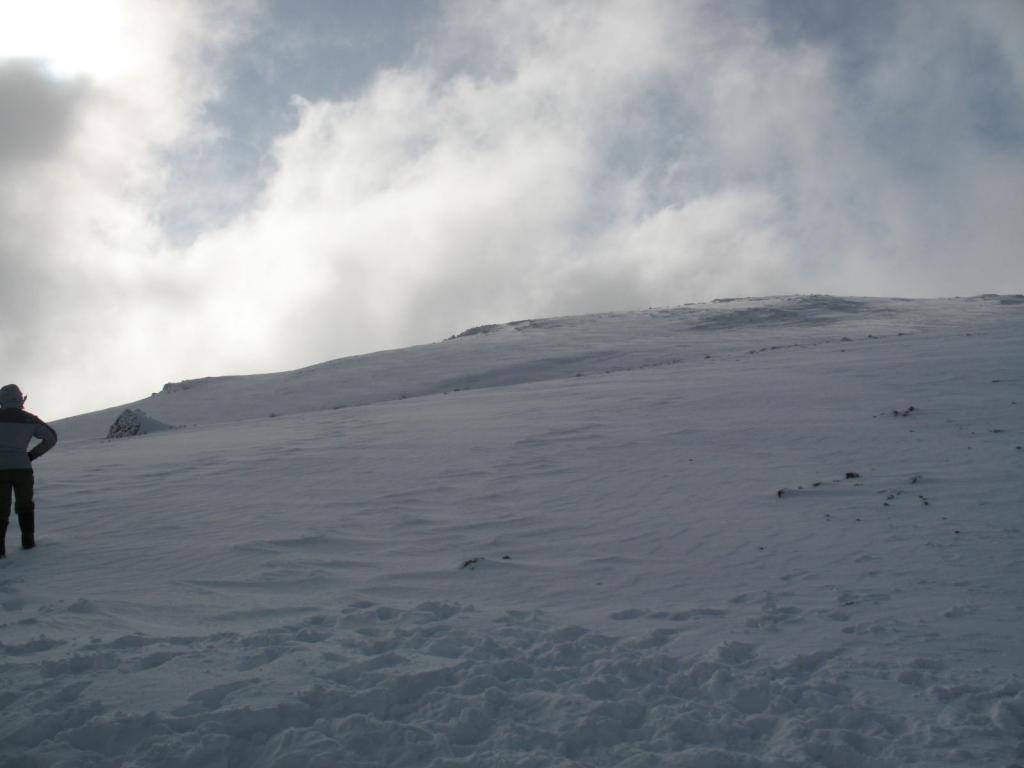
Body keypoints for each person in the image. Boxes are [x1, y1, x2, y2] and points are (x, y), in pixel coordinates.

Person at [0, 384, 58, 557]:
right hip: (23, 468)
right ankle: (28, 543)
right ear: (20, 399)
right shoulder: (29, 419)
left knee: (0, 509)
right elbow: (51, 438)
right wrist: (31, 455)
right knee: (25, 505)